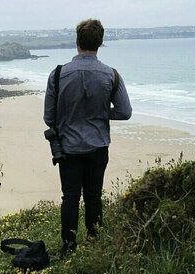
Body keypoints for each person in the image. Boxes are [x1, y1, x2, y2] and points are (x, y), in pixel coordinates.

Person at [44, 19, 132, 257]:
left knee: (70, 197)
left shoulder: (59, 74)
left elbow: (48, 117)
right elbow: (124, 112)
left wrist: (70, 118)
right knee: (94, 195)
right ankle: (95, 243)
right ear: (101, 43)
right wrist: (100, 113)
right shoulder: (111, 74)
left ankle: (69, 247)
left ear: (77, 42)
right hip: (98, 146)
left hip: (68, 148)